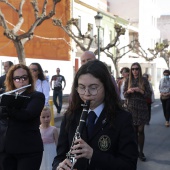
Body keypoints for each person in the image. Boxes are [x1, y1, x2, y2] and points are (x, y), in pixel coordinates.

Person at [52, 60, 138, 170]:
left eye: (93, 87)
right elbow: (59, 157)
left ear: (106, 87)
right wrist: (58, 167)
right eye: (82, 87)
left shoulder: (122, 119)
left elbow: (129, 165)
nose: (86, 93)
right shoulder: (70, 116)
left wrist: (93, 155)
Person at [0, 64, 45, 170]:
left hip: (28, 151)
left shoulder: (36, 96)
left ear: (29, 78)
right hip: (6, 151)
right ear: (12, 80)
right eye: (17, 78)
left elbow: (28, 114)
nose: (21, 81)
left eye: (24, 77)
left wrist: (6, 108)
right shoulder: (5, 95)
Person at [124, 62, 152, 162]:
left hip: (142, 108)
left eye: (137, 69)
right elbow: (124, 94)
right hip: (131, 108)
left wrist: (141, 91)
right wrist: (128, 91)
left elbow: (149, 94)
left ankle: (141, 152)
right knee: (134, 131)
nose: (135, 71)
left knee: (141, 130)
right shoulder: (128, 80)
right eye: (133, 69)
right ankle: (135, 151)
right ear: (131, 70)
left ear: (140, 70)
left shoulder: (144, 80)